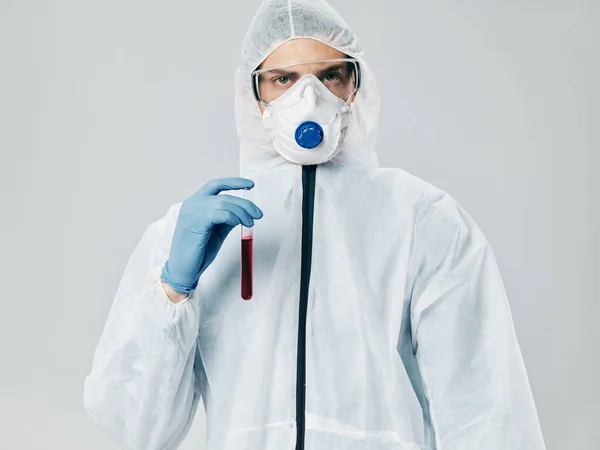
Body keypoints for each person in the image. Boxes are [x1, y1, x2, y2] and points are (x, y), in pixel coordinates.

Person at [83, 0, 547, 449]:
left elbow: (484, 411)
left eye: (330, 75)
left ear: (355, 86)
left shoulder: (422, 220)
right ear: (254, 94)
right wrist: (172, 290)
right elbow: (136, 428)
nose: (309, 97)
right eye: (283, 78)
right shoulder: (195, 232)